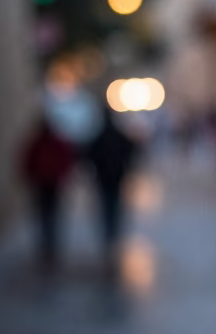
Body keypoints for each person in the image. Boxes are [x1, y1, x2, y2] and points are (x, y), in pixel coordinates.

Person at [20, 116, 76, 269]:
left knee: (45, 214)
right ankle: (50, 244)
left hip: (44, 183)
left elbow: (27, 162)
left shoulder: (38, 143)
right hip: (50, 183)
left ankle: (48, 244)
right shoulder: (51, 142)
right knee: (51, 214)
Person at [85, 107, 139, 267]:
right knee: (113, 204)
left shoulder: (99, 135)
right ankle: (113, 232)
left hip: (105, 178)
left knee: (107, 204)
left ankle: (109, 232)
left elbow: (89, 154)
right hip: (115, 177)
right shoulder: (117, 134)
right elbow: (131, 150)